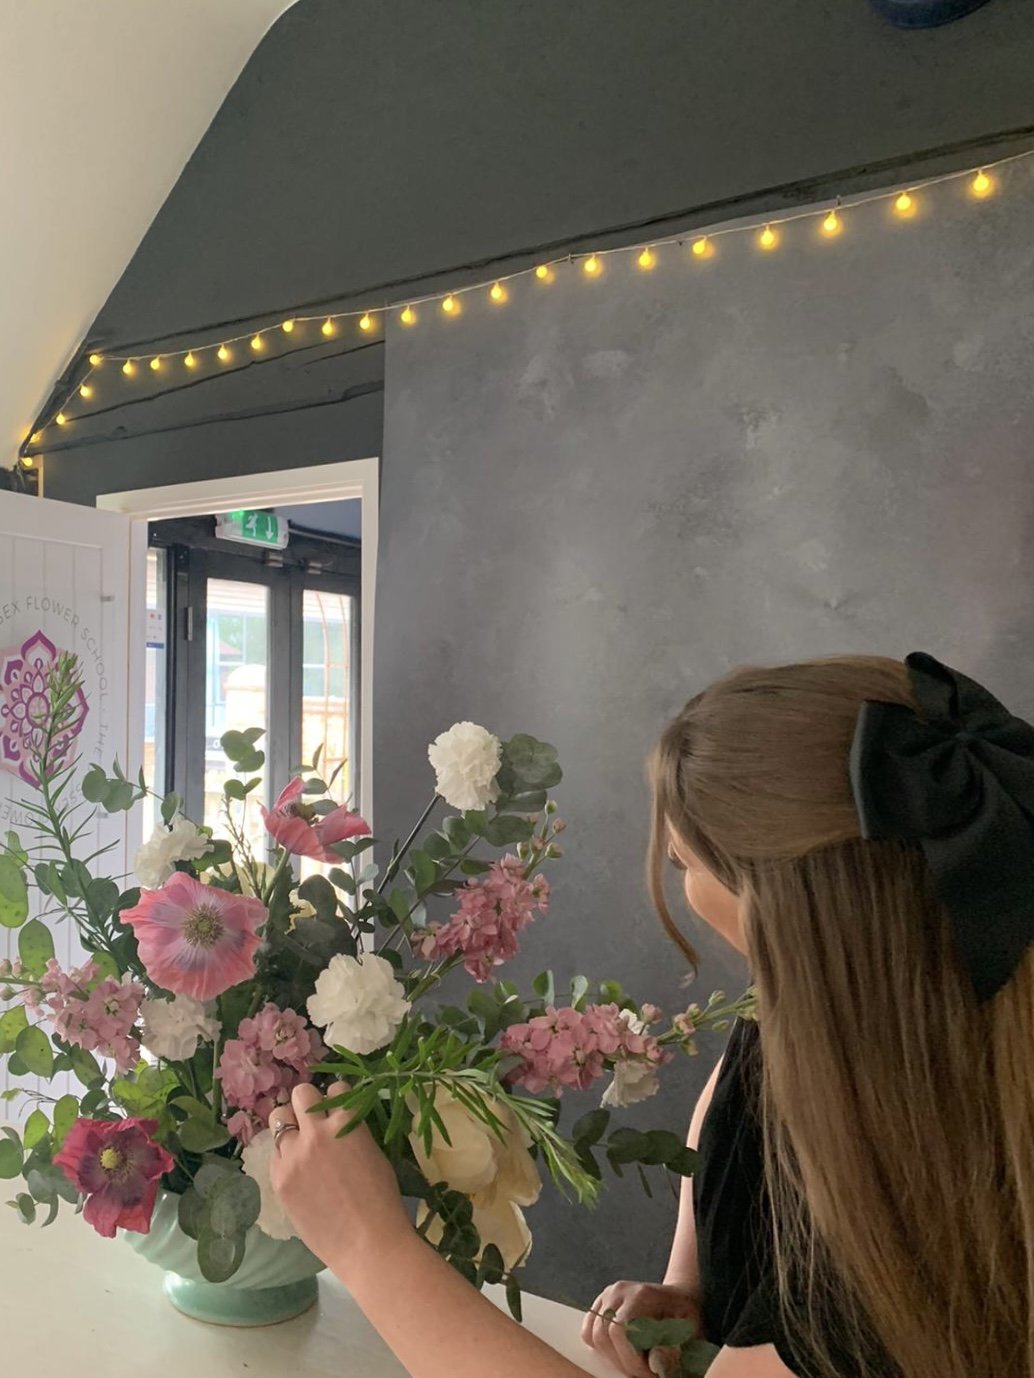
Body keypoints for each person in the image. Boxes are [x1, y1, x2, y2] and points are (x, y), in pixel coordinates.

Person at [269, 653, 1034, 1378]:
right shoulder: (822, 1020)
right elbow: (739, 1108)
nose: (682, 883)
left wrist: (369, 1245)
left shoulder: (941, 1215)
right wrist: (694, 1292)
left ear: (797, 911)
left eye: (688, 864)